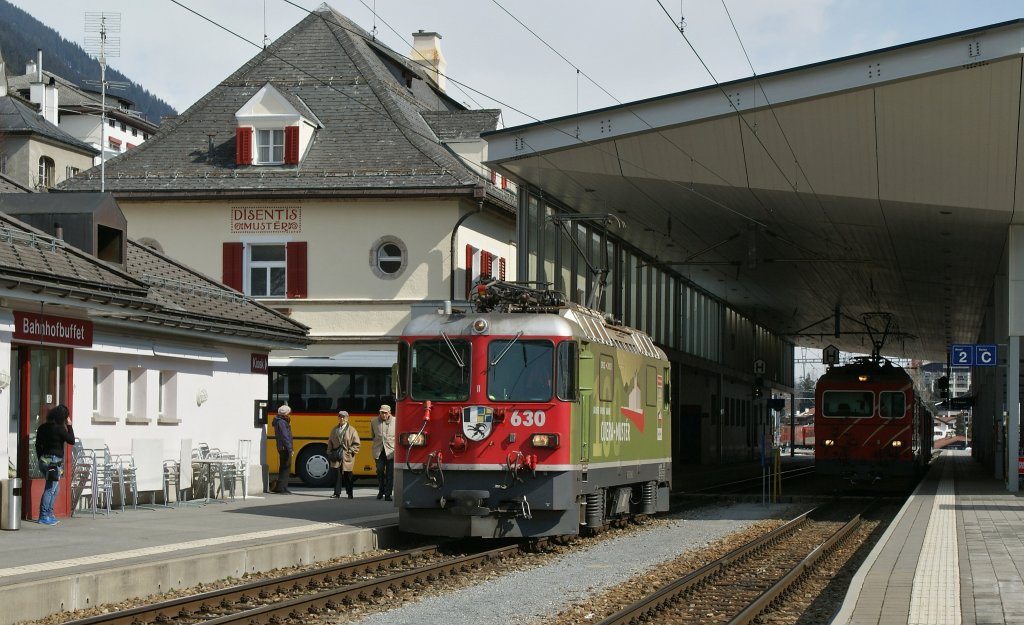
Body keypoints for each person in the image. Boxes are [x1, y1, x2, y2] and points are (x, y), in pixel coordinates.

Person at [34, 404, 75, 526]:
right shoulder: (59, 429)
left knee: (55, 488)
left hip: (44, 460)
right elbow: (71, 440)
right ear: (63, 417)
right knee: (50, 488)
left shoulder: (42, 428)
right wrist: (70, 426)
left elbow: (37, 445)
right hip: (54, 461)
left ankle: (49, 514)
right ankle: (43, 515)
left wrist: (40, 458)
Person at [328, 410, 361, 499]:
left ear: (347, 418)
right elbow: (330, 441)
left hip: (347, 455)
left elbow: (356, 443)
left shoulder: (352, 430)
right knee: (337, 475)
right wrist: (329, 452)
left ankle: (350, 493)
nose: (342, 418)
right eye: (340, 417)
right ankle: (337, 493)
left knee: (348, 474)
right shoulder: (334, 429)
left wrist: (351, 451)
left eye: (344, 417)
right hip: (336, 454)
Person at [370, 404, 395, 501]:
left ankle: (388, 494)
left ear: (389, 413)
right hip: (378, 451)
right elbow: (373, 435)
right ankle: (381, 490)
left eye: (385, 413)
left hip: (391, 451)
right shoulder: (373, 421)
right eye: (381, 412)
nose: (383, 415)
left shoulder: (396, 421)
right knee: (379, 471)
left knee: (390, 474)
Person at [272, 405, 293, 494]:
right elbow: (285, 437)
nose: (289, 414)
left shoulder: (278, 421)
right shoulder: (282, 422)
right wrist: (290, 448)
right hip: (284, 448)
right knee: (285, 468)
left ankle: (283, 487)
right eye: (288, 413)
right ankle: (282, 488)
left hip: (282, 447)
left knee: (284, 467)